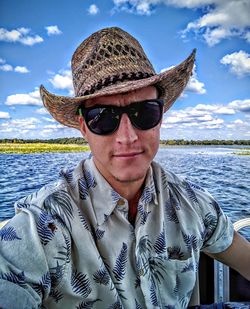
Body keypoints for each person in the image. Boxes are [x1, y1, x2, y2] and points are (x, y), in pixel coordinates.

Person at [0, 27, 249, 309]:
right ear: (84, 128)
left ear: (161, 116)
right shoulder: (44, 223)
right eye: (103, 118)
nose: (127, 137)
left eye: (145, 112)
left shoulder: (193, 203)